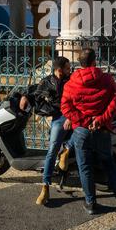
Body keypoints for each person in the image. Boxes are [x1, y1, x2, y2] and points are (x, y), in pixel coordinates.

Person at [61, 48, 116, 215]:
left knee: (85, 168)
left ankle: (91, 203)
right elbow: (115, 99)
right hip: (102, 129)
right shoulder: (106, 78)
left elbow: (65, 107)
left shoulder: (71, 83)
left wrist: (83, 120)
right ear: (94, 61)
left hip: (81, 131)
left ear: (80, 63)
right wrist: (100, 119)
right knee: (108, 163)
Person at [19, 56, 74, 205]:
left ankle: (67, 149)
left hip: (74, 114)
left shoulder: (72, 79)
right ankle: (45, 186)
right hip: (59, 117)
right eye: (68, 68)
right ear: (59, 70)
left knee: (83, 131)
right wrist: (24, 96)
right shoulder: (47, 81)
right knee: (51, 150)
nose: (70, 70)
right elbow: (35, 91)